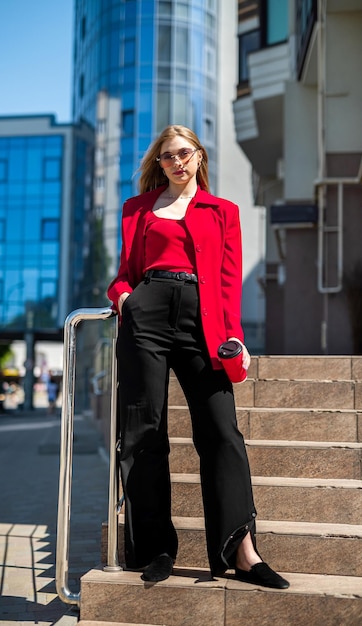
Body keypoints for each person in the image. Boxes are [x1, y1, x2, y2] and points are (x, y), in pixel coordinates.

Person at [107, 125, 289, 589]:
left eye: (184, 153)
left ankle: (242, 552)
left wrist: (235, 337)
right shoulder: (137, 210)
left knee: (221, 430)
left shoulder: (222, 211)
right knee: (144, 430)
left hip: (201, 321)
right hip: (145, 316)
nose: (177, 163)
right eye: (168, 157)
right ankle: (156, 550)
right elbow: (124, 273)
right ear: (159, 164)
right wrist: (125, 298)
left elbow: (228, 284)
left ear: (199, 155)